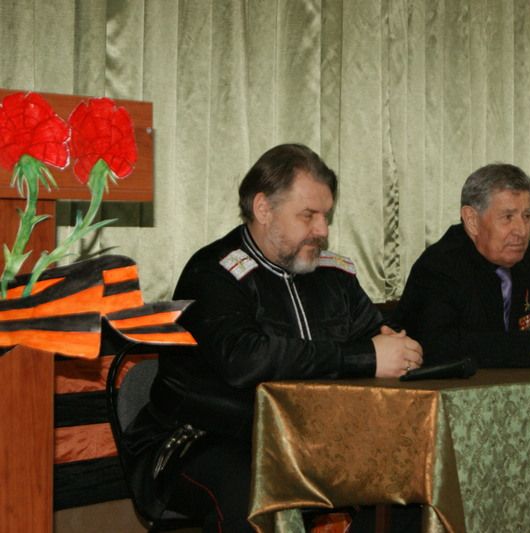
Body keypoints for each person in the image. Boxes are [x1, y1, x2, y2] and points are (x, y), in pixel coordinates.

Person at [126, 144, 423, 532]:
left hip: (310, 438)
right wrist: (366, 357)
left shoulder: (334, 276)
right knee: (254, 493)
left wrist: (400, 351)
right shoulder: (213, 274)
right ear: (263, 209)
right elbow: (245, 360)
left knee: (408, 475)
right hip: (203, 439)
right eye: (309, 215)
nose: (323, 231)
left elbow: (376, 338)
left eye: (326, 216)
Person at [392, 163, 530, 367]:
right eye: (508, 217)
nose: (522, 230)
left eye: (527, 216)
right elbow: (438, 348)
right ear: (472, 220)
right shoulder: (439, 266)